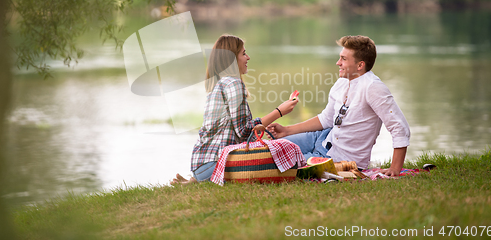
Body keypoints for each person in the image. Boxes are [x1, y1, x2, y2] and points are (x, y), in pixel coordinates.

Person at [267, 35, 410, 176]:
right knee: (269, 150)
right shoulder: (342, 81)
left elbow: (399, 126)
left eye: (344, 59)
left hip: (341, 160)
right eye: (340, 57)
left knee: (272, 163)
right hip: (321, 138)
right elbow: (326, 119)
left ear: (360, 65)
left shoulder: (373, 87)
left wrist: (395, 168)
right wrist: (286, 130)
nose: (338, 63)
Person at [171, 34, 298, 185]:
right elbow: (243, 131)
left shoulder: (219, 84)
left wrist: (261, 125)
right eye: (243, 53)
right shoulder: (233, 85)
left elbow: (231, 131)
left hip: (201, 164)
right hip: (216, 164)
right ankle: (203, 180)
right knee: (285, 150)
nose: (248, 57)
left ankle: (197, 180)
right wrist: (279, 112)